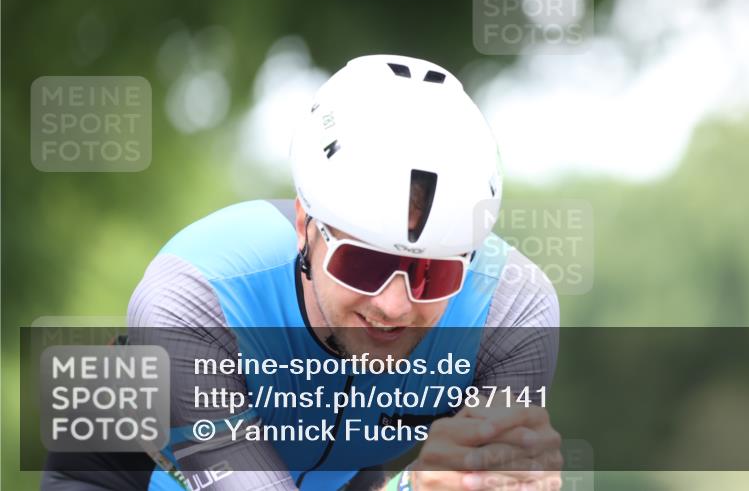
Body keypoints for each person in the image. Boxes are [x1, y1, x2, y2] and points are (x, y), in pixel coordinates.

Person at [43, 55, 562, 491]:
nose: (393, 306)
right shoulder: (192, 297)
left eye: (434, 275)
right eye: (364, 263)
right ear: (304, 226)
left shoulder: (514, 311)